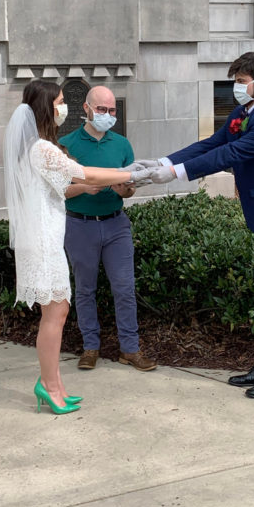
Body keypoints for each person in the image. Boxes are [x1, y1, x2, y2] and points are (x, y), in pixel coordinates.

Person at [132, 52, 254, 398]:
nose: (236, 87)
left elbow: (230, 155)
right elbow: (213, 144)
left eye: (241, 81)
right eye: (235, 80)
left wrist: (174, 175)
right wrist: (163, 161)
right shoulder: (243, 114)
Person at [3, 81, 151, 415]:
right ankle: (49, 386)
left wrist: (113, 179)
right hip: (42, 240)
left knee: (57, 311)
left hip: (48, 237)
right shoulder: (43, 148)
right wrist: (134, 171)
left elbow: (62, 188)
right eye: (58, 102)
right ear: (45, 108)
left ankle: (55, 384)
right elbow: (82, 173)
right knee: (55, 314)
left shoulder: (39, 147)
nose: (62, 108)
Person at [60, 86, 157, 372]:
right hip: (79, 225)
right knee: (85, 290)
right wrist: (83, 187)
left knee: (125, 288)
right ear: (87, 109)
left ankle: (130, 349)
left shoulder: (122, 144)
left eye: (112, 110)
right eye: (101, 109)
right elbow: (59, 190)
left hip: (116, 225)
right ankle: (90, 347)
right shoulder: (66, 144)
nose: (107, 114)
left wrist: (125, 189)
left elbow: (130, 191)